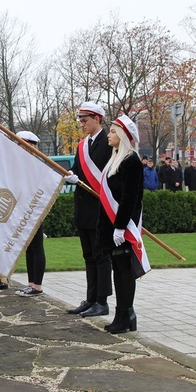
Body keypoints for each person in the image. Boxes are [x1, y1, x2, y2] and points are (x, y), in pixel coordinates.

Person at [97, 115, 148, 334]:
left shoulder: (131, 161)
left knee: (125, 272)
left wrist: (120, 226)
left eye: (113, 131)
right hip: (112, 225)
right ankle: (123, 314)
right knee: (118, 271)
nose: (109, 135)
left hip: (123, 227)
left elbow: (130, 198)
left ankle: (126, 314)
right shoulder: (116, 159)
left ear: (123, 135)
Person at [64, 101, 113, 317]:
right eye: (80, 121)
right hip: (83, 208)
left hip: (101, 209)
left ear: (97, 119)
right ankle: (91, 298)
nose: (82, 124)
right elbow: (77, 169)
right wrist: (71, 175)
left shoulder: (109, 143)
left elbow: (109, 174)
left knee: (101, 256)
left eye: (85, 121)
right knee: (88, 256)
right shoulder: (82, 146)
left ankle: (102, 301)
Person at [13, 131, 46, 297]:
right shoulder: (20, 164)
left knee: (37, 246)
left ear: (32, 145)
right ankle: (31, 283)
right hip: (23, 208)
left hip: (34, 209)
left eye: (22, 143)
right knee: (29, 248)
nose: (19, 146)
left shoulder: (37, 163)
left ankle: (37, 285)